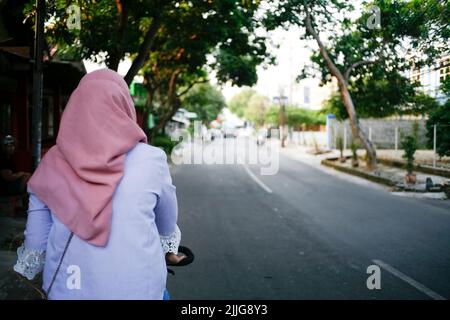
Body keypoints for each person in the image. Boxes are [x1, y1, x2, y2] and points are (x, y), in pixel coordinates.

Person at [13, 69, 184, 299]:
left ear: (75, 109)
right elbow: (166, 226)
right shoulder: (152, 160)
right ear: (124, 109)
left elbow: (35, 247)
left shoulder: (50, 164)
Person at [0, 135, 30, 214]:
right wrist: (21, 174)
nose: (11, 148)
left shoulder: (9, 158)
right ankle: (27, 209)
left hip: (8, 185)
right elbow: (8, 177)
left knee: (29, 184)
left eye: (12, 146)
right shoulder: (3, 159)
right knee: (27, 178)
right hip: (4, 187)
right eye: (8, 146)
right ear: (4, 147)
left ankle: (26, 208)